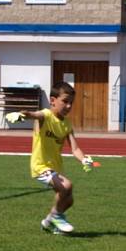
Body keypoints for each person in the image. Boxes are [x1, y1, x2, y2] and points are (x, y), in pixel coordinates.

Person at [9, 81, 92, 235]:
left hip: (56, 167)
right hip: (41, 166)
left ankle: (48, 222)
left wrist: (84, 159)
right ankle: (57, 217)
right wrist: (22, 115)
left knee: (68, 200)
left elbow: (75, 148)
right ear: (53, 100)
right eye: (65, 101)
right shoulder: (45, 116)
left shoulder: (67, 124)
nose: (68, 106)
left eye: (71, 103)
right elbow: (34, 114)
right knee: (67, 186)